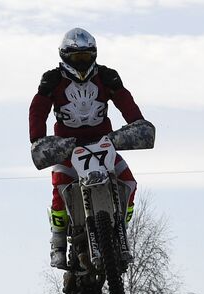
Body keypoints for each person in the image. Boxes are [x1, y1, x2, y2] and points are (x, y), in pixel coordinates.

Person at [29, 28, 145, 269]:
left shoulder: (107, 77)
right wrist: (38, 139)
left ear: (94, 54)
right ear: (65, 56)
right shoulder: (53, 80)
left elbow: (125, 100)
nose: (81, 62)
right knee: (60, 187)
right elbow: (38, 109)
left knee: (129, 182)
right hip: (67, 148)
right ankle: (58, 243)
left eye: (85, 56)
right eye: (76, 57)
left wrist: (137, 122)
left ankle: (120, 226)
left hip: (103, 143)